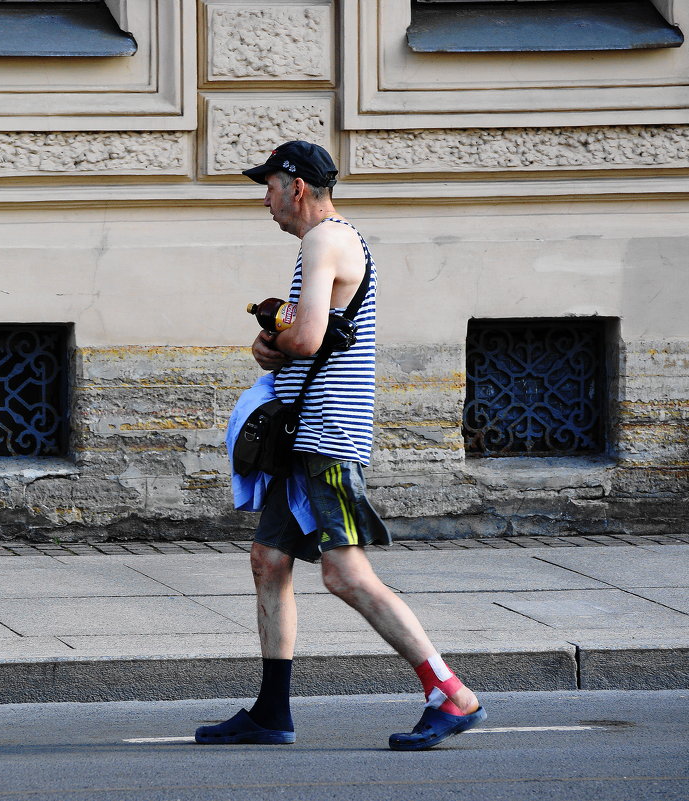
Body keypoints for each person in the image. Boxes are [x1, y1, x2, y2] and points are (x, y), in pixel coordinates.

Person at [196, 141, 487, 750]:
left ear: (296, 186)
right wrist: (270, 342)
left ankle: (450, 693)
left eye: (269, 186)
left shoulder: (324, 240)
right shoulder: (328, 243)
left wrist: (274, 339)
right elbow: (304, 336)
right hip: (306, 434)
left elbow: (304, 339)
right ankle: (272, 712)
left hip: (328, 435)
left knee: (345, 575)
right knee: (268, 560)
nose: (265, 199)